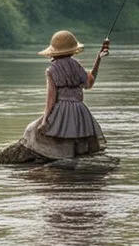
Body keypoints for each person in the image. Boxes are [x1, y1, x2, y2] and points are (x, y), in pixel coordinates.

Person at [19, 30, 110, 159]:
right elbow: (89, 84)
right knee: (79, 144)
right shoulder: (76, 65)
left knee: (31, 130)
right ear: (72, 50)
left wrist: (45, 119)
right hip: (80, 111)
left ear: (54, 51)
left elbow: (51, 98)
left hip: (62, 110)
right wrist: (98, 58)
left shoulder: (51, 70)